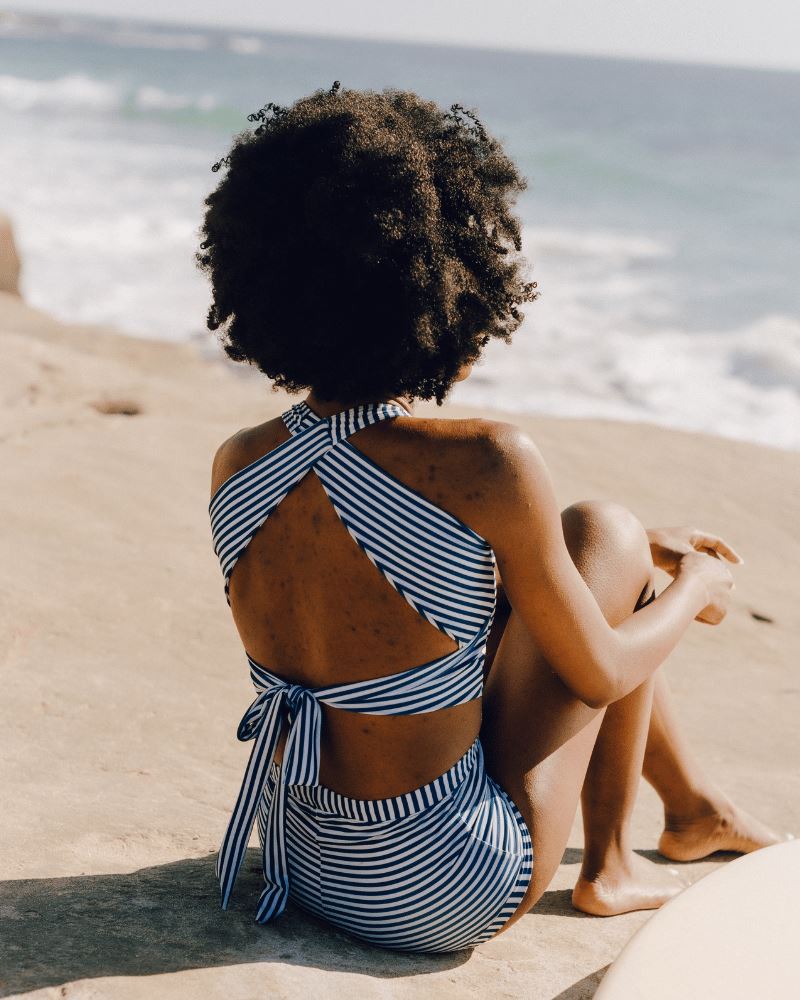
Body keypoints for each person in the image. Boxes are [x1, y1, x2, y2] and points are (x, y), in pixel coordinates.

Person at [196, 83, 786, 953]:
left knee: (586, 557)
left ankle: (694, 808)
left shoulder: (238, 462)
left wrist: (574, 561)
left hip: (302, 855)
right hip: (434, 889)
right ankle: (611, 867)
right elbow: (597, 673)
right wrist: (694, 581)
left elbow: (398, 607)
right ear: (450, 287)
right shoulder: (486, 462)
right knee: (609, 533)